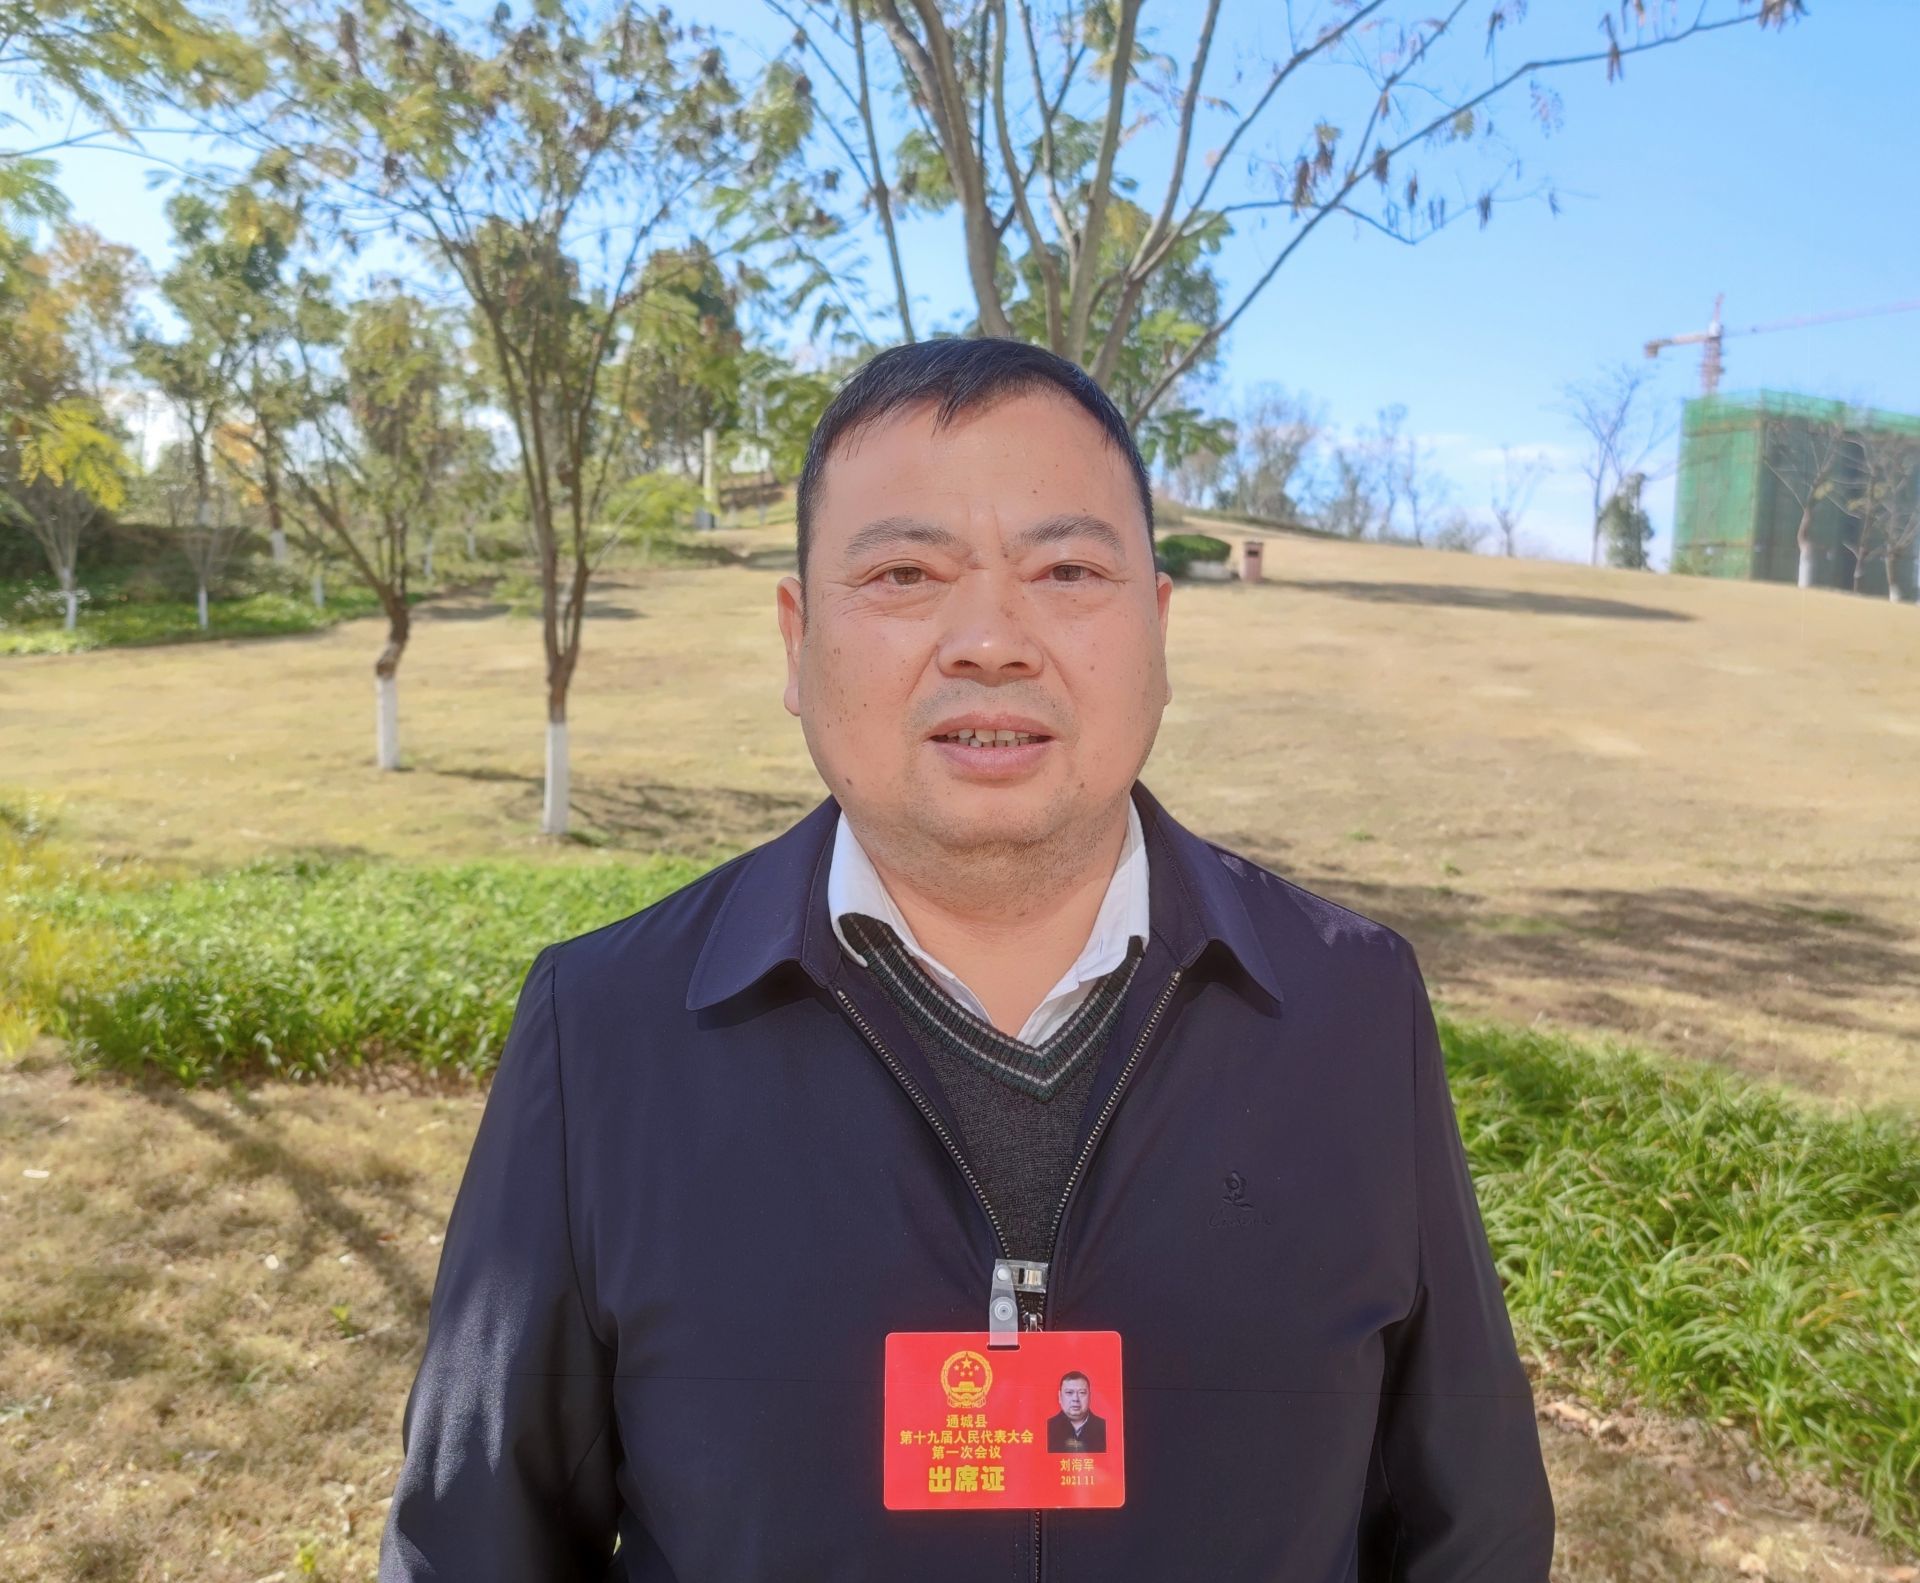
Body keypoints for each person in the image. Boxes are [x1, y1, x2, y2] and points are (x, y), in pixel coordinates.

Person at [378, 337, 1555, 1581]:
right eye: (904, 572)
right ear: (796, 642)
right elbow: (473, 1545)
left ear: (1158, 631)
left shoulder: (1352, 1009)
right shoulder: (606, 1029)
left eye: (1067, 570)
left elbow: (1470, 1525)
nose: (991, 640)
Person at [1046, 1371, 1106, 1453]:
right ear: (1060, 1396)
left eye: (1082, 1393)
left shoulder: (1104, 1427)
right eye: (1069, 1392)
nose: (1075, 1399)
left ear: (1090, 1396)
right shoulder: (1047, 1427)